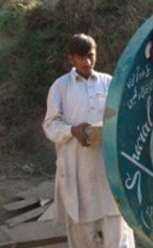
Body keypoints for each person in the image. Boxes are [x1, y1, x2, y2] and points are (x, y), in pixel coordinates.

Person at [43, 34, 134, 247]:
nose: (87, 62)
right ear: (72, 60)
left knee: (117, 231)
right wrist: (72, 130)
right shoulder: (61, 87)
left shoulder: (109, 83)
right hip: (78, 173)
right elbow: (49, 125)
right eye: (81, 57)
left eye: (91, 56)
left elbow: (125, 118)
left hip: (109, 173)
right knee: (83, 232)